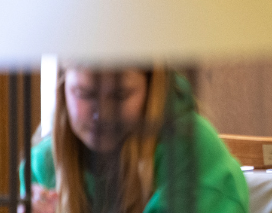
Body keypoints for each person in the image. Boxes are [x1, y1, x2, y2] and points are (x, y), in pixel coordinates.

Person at [28, 67, 248, 213]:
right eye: (84, 93)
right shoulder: (43, 163)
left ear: (152, 88)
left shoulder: (192, 150)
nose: (101, 114)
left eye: (120, 95)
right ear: (63, 87)